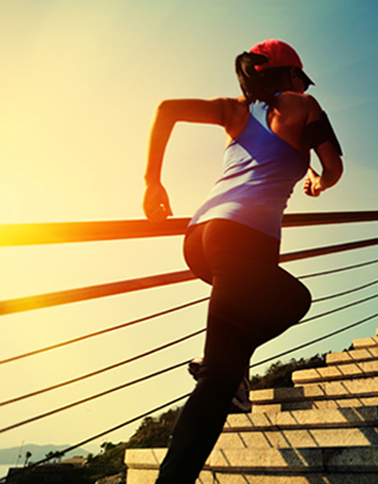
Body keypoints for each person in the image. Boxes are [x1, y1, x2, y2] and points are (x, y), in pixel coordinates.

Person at [142, 39, 343, 483]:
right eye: (300, 76)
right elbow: (334, 166)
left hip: (200, 239)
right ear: (289, 75)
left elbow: (166, 109)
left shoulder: (234, 110)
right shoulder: (303, 105)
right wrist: (319, 183)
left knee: (291, 298)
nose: (303, 84)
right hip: (242, 243)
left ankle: (234, 369)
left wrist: (152, 182)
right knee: (218, 378)